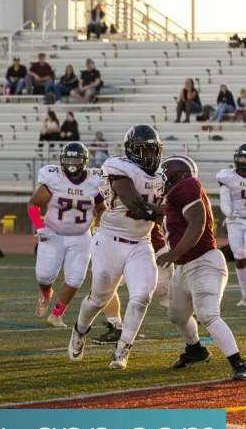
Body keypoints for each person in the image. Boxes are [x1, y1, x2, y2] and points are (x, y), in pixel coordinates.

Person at [68, 124, 164, 370]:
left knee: (142, 296)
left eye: (153, 150)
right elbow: (136, 206)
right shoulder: (118, 167)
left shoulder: (163, 175)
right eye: (144, 150)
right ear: (131, 152)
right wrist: (168, 215)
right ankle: (79, 330)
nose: (150, 156)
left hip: (141, 243)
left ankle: (122, 350)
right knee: (98, 300)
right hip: (110, 240)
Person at [157, 156, 246, 379]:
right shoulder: (178, 194)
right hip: (186, 267)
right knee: (177, 314)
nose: (161, 180)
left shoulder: (186, 186)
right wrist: (145, 209)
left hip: (204, 262)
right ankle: (195, 350)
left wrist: (175, 252)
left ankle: (239, 364)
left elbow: (197, 221)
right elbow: (169, 214)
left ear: (174, 175)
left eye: (164, 175)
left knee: (208, 313)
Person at [28, 143, 106, 328]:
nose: (71, 164)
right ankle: (46, 294)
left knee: (76, 278)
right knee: (44, 277)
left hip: (81, 236)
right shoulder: (54, 178)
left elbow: (102, 209)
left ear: (84, 162)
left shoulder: (94, 181)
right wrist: (39, 227)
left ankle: (56, 315)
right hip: (53, 233)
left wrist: (97, 226)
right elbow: (33, 204)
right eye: (68, 159)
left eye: (75, 160)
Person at [219, 144, 246, 306]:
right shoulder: (227, 177)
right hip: (235, 221)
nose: (243, 162)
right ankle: (244, 296)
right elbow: (224, 200)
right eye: (242, 158)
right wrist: (229, 214)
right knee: (239, 257)